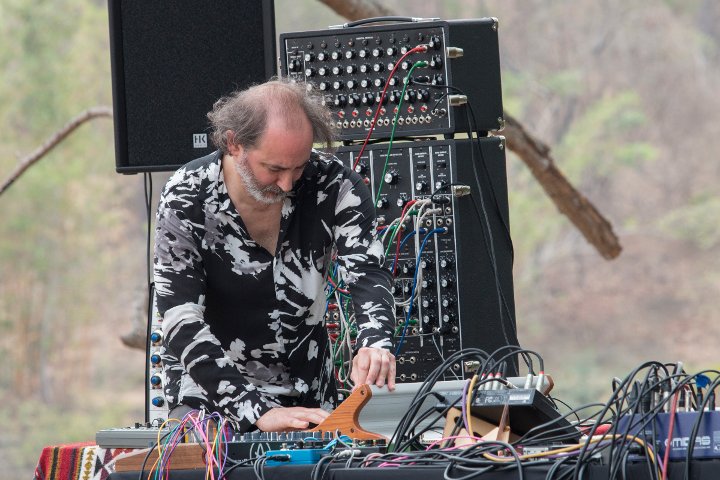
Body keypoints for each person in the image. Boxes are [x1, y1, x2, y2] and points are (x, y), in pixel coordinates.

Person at [153, 79, 396, 433]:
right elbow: (179, 317)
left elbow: (368, 274)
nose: (288, 185)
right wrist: (256, 412)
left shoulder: (335, 185)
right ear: (234, 143)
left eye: (298, 167)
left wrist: (375, 342)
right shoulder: (185, 196)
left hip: (310, 397)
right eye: (274, 169)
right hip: (213, 402)